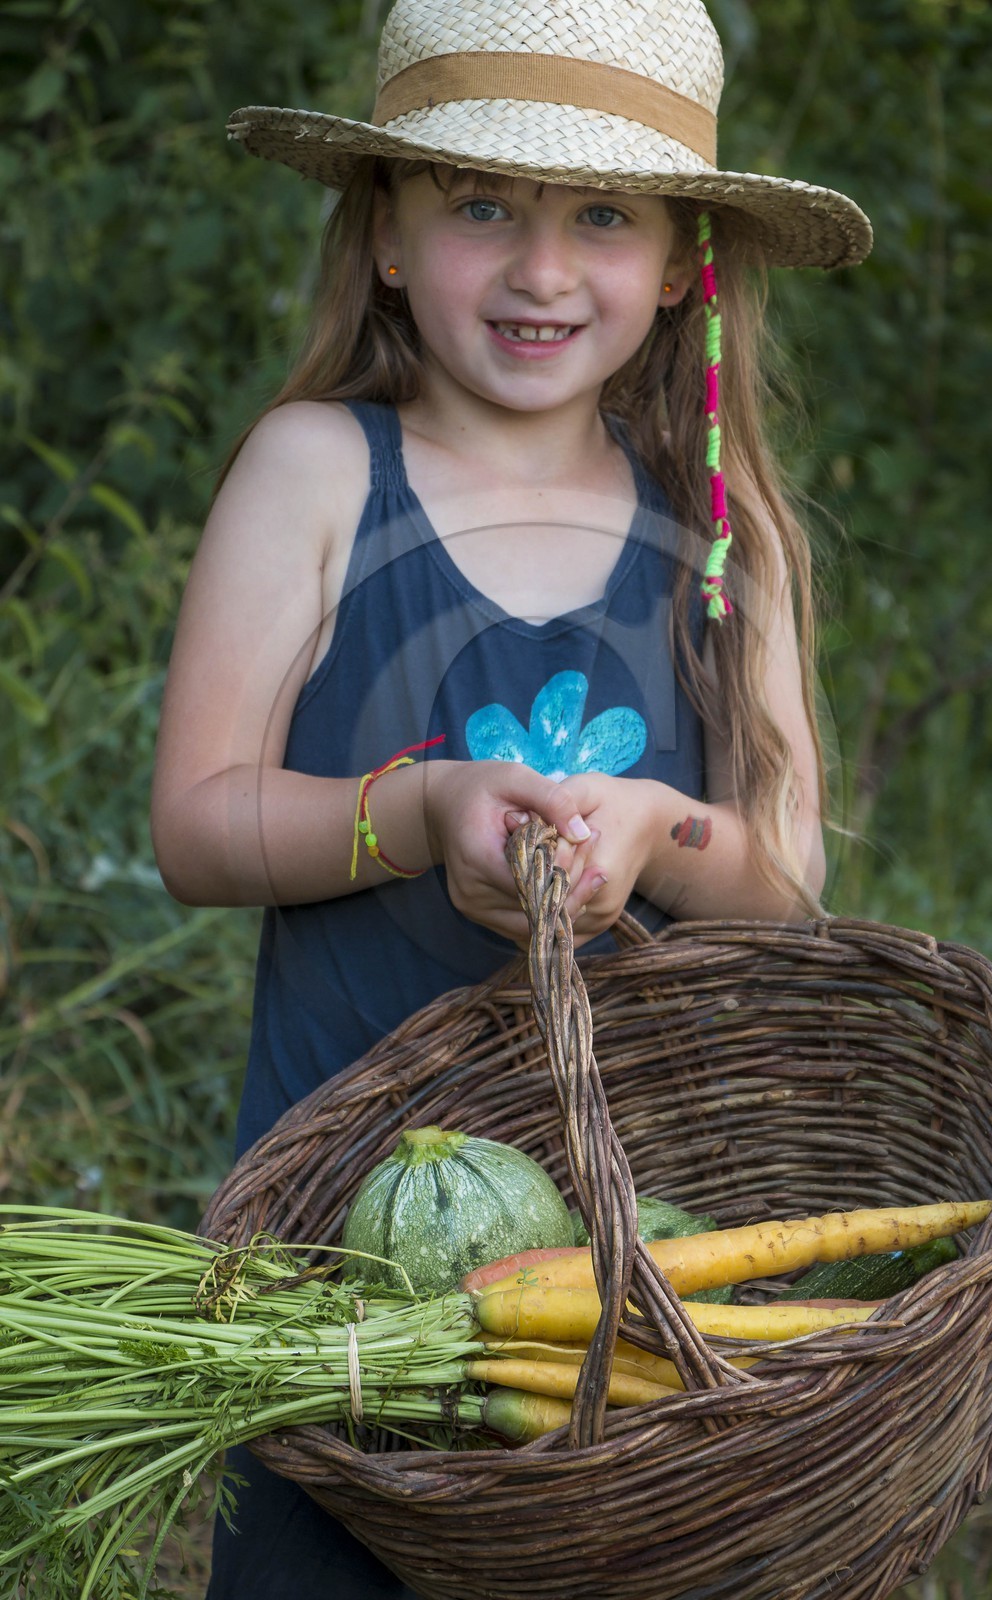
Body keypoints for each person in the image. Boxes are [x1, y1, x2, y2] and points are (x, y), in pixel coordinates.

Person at [150, 0, 872, 1593]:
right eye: (484, 203)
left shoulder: (717, 517)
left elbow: (785, 887)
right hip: (330, 1265)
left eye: (601, 216)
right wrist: (407, 817)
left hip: (629, 1272)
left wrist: (658, 840)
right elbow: (198, 824)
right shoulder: (320, 470)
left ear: (685, 254)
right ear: (392, 233)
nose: (544, 271)